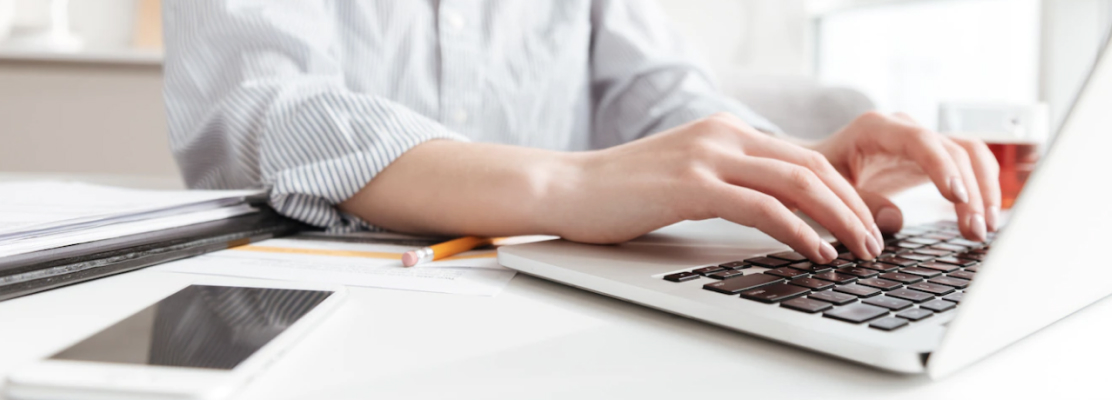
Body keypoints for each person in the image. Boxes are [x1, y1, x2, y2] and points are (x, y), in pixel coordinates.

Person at [162, 1, 1000, 264]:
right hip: (312, 315)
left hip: (555, 305)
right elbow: (261, 110)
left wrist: (789, 167)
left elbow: (663, 96)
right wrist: (567, 186)